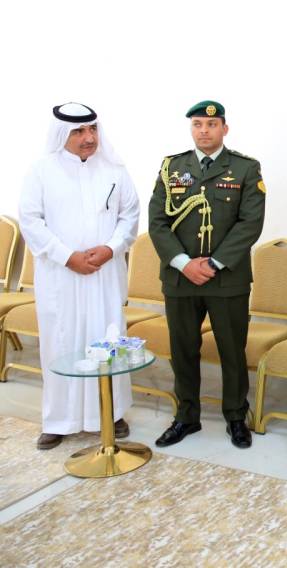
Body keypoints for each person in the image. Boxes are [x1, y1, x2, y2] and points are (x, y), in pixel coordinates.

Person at [20, 102, 140, 450]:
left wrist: (110, 248)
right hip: (61, 277)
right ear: (62, 134)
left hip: (104, 273)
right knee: (61, 343)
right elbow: (31, 221)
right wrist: (67, 256)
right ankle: (58, 420)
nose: (89, 138)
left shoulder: (115, 169)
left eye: (92, 129)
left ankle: (111, 414)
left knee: (107, 339)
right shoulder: (41, 171)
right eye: (78, 131)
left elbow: (130, 215)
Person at [148, 100, 265, 449]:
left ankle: (236, 417)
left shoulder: (245, 168)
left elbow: (250, 223)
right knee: (183, 349)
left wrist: (213, 264)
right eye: (197, 124)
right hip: (180, 278)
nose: (204, 131)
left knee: (232, 350)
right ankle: (186, 416)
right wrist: (183, 262)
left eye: (211, 125)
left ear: (224, 129)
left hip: (227, 279)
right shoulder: (172, 167)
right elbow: (157, 221)